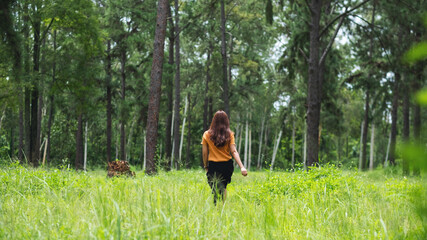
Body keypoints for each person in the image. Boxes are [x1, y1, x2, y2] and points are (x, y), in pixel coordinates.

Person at [201, 110, 247, 204]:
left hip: (213, 165)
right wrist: (242, 167)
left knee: (215, 187)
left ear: (214, 121)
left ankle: (217, 207)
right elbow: (234, 151)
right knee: (223, 186)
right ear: (226, 121)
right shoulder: (229, 134)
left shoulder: (206, 134)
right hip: (227, 165)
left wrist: (206, 166)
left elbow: (205, 154)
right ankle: (222, 207)